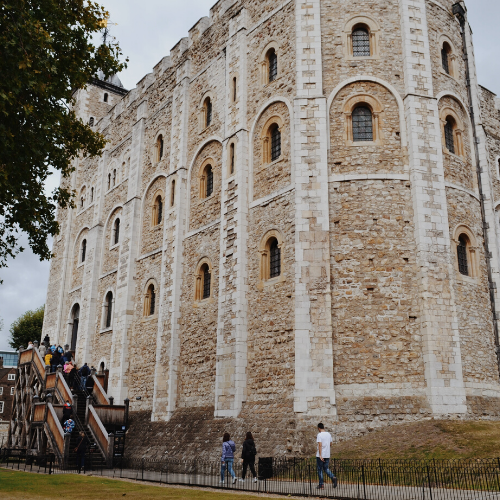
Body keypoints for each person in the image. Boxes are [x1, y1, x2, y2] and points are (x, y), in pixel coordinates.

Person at [316, 423, 337, 490]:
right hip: (327, 454)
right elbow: (331, 444)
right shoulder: (329, 434)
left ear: (319, 428)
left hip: (321, 455)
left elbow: (320, 445)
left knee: (320, 469)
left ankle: (321, 485)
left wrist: (320, 455)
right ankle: (333, 477)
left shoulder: (319, 435)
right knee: (326, 468)